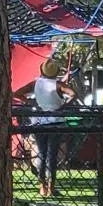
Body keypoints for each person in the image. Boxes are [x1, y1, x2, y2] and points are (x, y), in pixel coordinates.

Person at [28, 55, 67, 198]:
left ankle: (42, 186)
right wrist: (63, 106)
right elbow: (73, 94)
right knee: (52, 155)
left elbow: (17, 93)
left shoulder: (36, 83)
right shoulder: (58, 85)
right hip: (56, 121)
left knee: (42, 154)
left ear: (42, 70)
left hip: (39, 122)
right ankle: (51, 186)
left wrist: (33, 103)